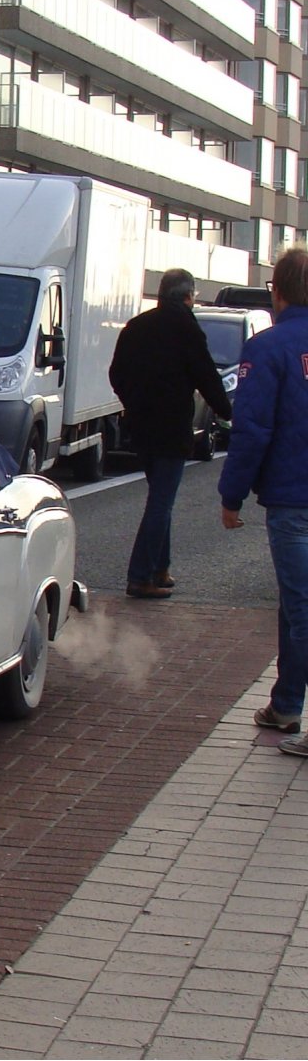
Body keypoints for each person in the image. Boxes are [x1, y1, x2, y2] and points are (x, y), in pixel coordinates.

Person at [219, 248, 308, 753]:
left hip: (294, 499)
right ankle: (286, 701)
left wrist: (231, 495)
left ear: (277, 292)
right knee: (296, 605)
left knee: (301, 608)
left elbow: (251, 429)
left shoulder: (269, 347)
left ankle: (293, 705)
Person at [109, 268, 231, 598]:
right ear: (189, 296)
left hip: (141, 427)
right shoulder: (187, 329)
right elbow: (207, 376)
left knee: (161, 497)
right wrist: (231, 412)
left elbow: (116, 373)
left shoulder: (137, 327)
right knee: (161, 502)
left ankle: (160, 569)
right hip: (173, 427)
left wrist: (133, 402)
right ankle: (140, 576)